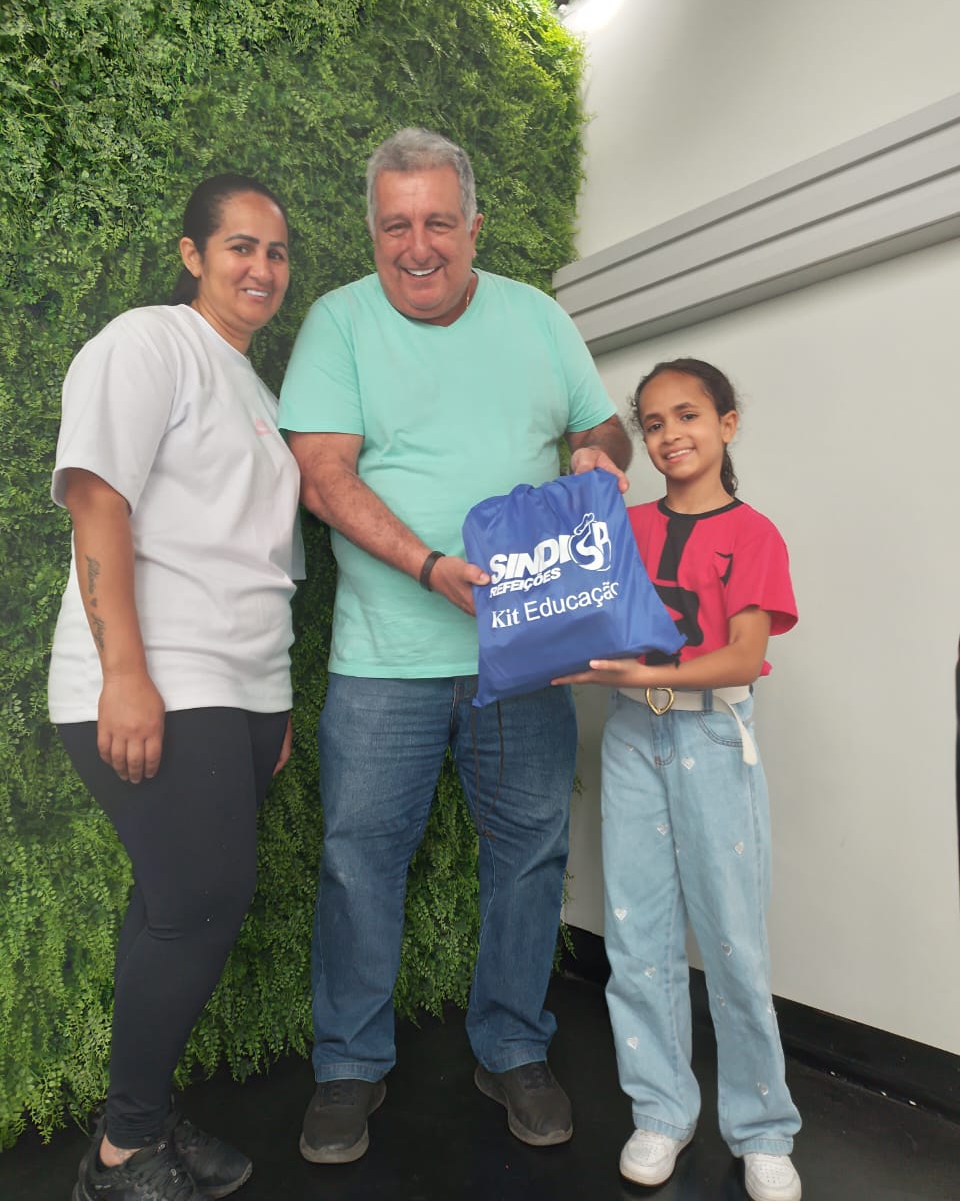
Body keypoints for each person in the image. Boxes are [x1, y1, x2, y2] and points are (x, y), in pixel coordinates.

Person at [278, 126, 632, 1163]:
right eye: (397, 224)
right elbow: (323, 476)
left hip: (523, 654)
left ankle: (513, 1045)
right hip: (382, 657)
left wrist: (596, 454)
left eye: (439, 221)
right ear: (372, 229)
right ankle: (349, 1064)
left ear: (475, 225)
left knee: (530, 853)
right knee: (358, 862)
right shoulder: (339, 322)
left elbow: (603, 427)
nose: (418, 245)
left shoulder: (538, 318)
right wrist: (431, 566)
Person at [49, 173, 302, 1201]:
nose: (262, 268)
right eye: (240, 246)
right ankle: (122, 1154)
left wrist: (272, 703)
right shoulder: (149, 343)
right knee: (202, 902)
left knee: (173, 902)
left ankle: (139, 1118)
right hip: (159, 672)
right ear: (194, 254)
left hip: (237, 686)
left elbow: (258, 557)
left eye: (276, 252)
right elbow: (97, 500)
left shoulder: (260, 394)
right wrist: (124, 674)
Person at [554, 358, 802, 1201]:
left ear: (727, 423)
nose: (669, 436)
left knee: (733, 938)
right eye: (653, 423)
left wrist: (641, 676)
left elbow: (744, 656)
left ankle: (763, 1129)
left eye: (688, 415)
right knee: (636, 936)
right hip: (634, 738)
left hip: (713, 737)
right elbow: (572, 601)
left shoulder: (754, 533)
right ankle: (661, 1110)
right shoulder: (622, 525)